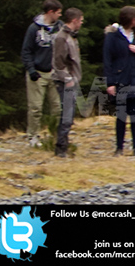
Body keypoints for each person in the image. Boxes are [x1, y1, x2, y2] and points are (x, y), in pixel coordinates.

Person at [103, 6, 135, 155]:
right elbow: (107, 60)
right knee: (121, 115)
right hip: (120, 80)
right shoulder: (112, 37)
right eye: (134, 18)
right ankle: (119, 148)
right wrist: (110, 83)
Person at [20, 0, 63, 146]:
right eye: (58, 13)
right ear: (50, 12)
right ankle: (33, 136)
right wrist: (31, 70)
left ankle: (57, 135)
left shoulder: (60, 27)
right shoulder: (33, 29)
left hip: (55, 72)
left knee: (57, 107)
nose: (59, 15)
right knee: (35, 107)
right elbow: (26, 51)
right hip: (38, 73)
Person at [51, 8, 84, 157]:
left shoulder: (71, 36)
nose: (81, 23)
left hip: (72, 80)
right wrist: (67, 78)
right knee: (67, 115)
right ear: (74, 20)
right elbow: (58, 62)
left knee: (69, 115)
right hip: (65, 81)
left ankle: (64, 145)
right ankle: (61, 148)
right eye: (81, 20)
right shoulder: (61, 37)